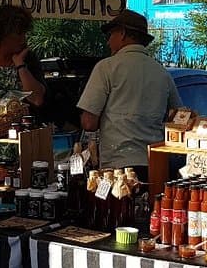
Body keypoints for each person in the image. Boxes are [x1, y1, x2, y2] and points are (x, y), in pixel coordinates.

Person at [77, 10, 181, 181]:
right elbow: (179, 119)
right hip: (155, 165)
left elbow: (89, 122)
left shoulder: (107, 67)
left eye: (111, 35)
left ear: (123, 33)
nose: (108, 41)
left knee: (121, 199)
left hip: (118, 166)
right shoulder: (162, 73)